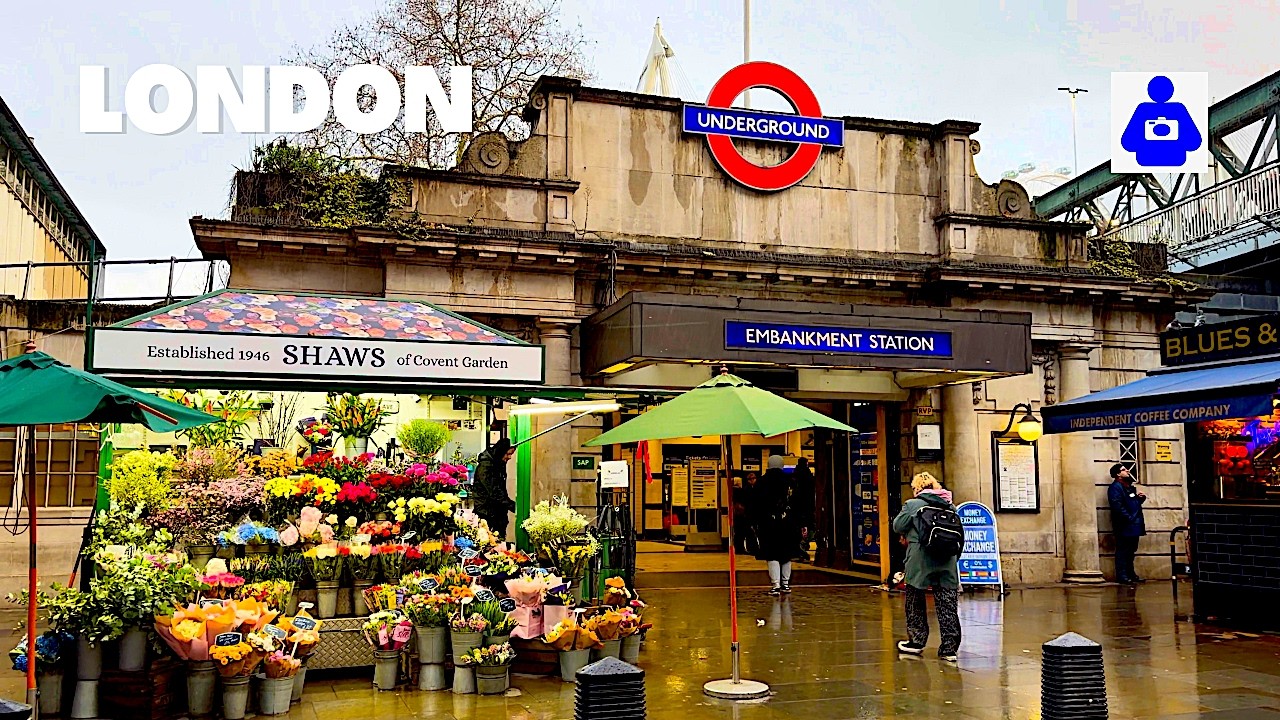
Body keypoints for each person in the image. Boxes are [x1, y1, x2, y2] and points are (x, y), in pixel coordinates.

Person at [891, 472, 961, 662]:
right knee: (947, 604)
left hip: (920, 559)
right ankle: (949, 649)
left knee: (915, 600)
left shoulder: (913, 505)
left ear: (917, 489)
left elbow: (897, 526)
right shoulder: (950, 506)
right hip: (946, 560)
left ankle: (916, 641)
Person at [755, 456, 803, 596]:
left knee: (772, 554)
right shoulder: (790, 481)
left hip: (768, 524)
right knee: (786, 554)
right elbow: (797, 504)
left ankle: (775, 585)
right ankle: (785, 584)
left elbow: (756, 504)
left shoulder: (762, 482)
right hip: (788, 523)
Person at [1107, 463, 1147, 584]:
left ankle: (1131, 573)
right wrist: (1129, 518)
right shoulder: (1116, 487)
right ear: (1118, 474)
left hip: (1134, 525)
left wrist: (1140, 499)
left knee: (1131, 551)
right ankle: (1122, 575)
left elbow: (1132, 504)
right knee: (1123, 550)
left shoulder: (1128, 486)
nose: (1127, 471)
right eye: (1124, 470)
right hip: (1124, 525)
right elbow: (1117, 506)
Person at [472, 439, 516, 539]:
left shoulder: (497, 463)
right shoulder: (486, 466)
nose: (509, 457)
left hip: (495, 512)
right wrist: (513, 506)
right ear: (501, 451)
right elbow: (494, 491)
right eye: (508, 454)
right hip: (487, 513)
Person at [792, 458, 816, 559]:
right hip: (808, 505)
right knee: (811, 526)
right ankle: (803, 543)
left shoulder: (795, 475)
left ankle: (799, 545)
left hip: (796, 506)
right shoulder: (808, 475)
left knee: (798, 526)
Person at [732, 471, 759, 555]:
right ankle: (752, 549)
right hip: (745, 514)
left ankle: (742, 548)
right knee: (748, 532)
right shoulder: (747, 490)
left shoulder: (745, 489)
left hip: (743, 514)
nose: (753, 480)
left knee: (742, 533)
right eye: (751, 479)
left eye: (754, 478)